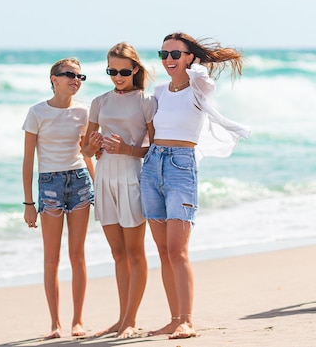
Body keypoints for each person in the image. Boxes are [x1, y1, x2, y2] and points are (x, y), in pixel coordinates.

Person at [142, 32, 251, 339]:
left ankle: (187, 320)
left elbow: (203, 79)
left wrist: (196, 66)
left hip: (181, 167)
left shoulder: (200, 87)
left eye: (175, 54)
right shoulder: (160, 91)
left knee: (178, 250)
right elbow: (148, 131)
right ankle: (174, 317)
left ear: (190, 58)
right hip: (152, 166)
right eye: (163, 54)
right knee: (163, 251)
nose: (168, 60)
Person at [82, 42, 157, 338]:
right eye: (111, 71)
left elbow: (155, 149)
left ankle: (130, 320)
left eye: (123, 71)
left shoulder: (146, 101)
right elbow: (84, 147)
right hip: (104, 179)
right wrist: (93, 145)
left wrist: (127, 149)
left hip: (132, 178)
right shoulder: (100, 102)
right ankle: (121, 317)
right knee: (117, 254)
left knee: (135, 253)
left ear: (135, 69)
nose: (117, 76)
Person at [22, 57, 95, 340]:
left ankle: (77, 320)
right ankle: (55, 323)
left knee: (78, 255)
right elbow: (28, 160)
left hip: (79, 181)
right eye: (69, 75)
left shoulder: (84, 113)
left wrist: (98, 185)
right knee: (51, 259)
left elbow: (86, 153)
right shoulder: (37, 112)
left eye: (79, 76)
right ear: (54, 79)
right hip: (49, 185)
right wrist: (29, 203)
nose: (75, 80)